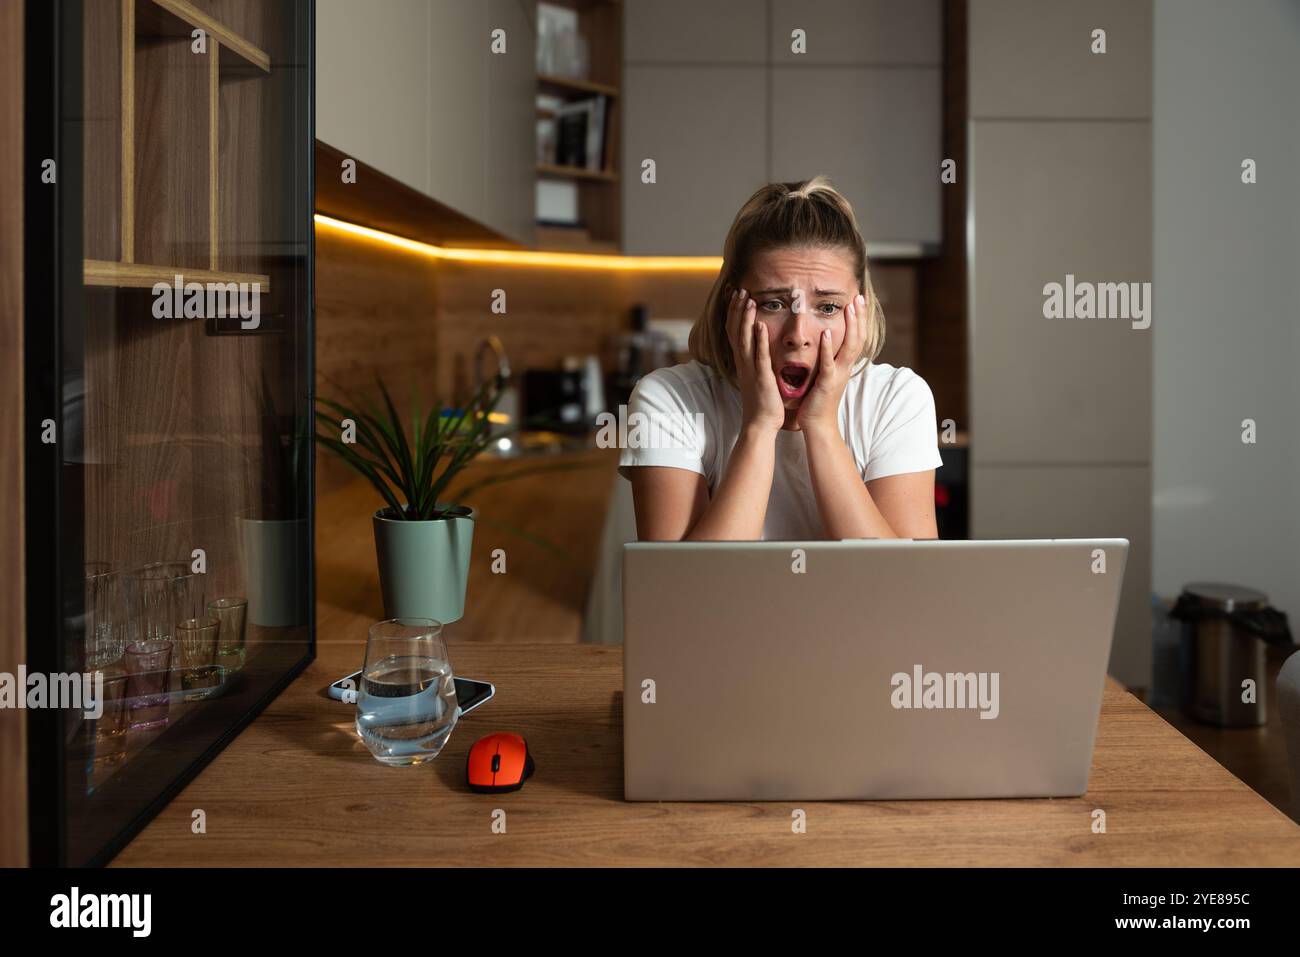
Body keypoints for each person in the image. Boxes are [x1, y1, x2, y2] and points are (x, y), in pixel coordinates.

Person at [618, 176, 942, 541]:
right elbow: (682, 591)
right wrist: (758, 428)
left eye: (828, 307)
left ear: (860, 311)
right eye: (774, 304)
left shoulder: (898, 399)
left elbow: (901, 586)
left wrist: (821, 426)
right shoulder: (667, 400)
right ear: (732, 307)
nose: (798, 334)